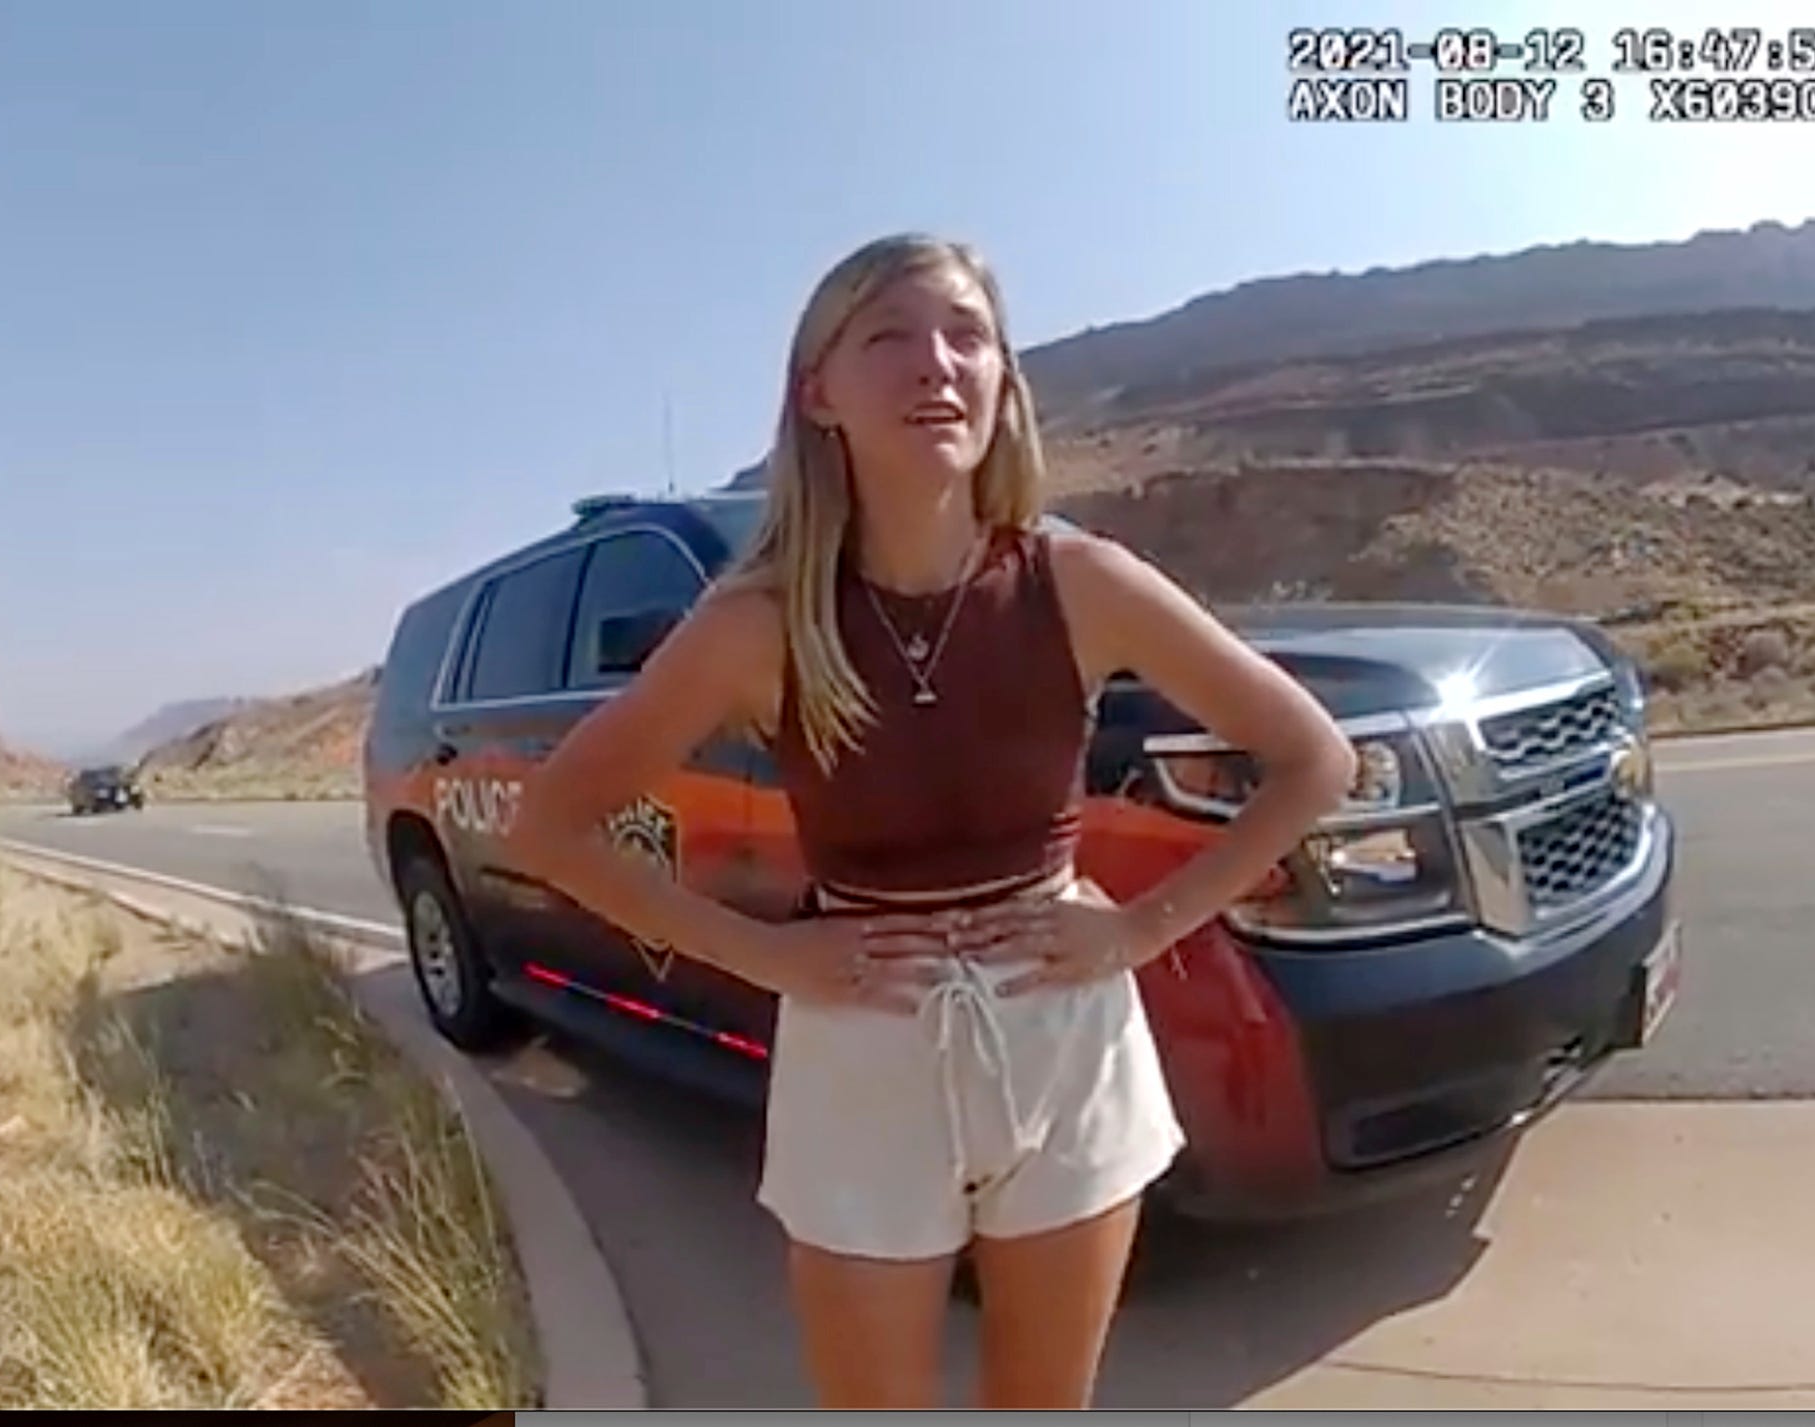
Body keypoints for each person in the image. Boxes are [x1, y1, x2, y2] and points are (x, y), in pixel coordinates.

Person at [510, 232, 1357, 1409]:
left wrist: (1140, 929)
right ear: (820, 392)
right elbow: (552, 825)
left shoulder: (1080, 580)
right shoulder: (759, 623)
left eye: (967, 335)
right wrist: (763, 951)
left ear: (1004, 379)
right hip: (865, 1050)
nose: (936, 365)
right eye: (888, 337)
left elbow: (1314, 757)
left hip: (1064, 1033)